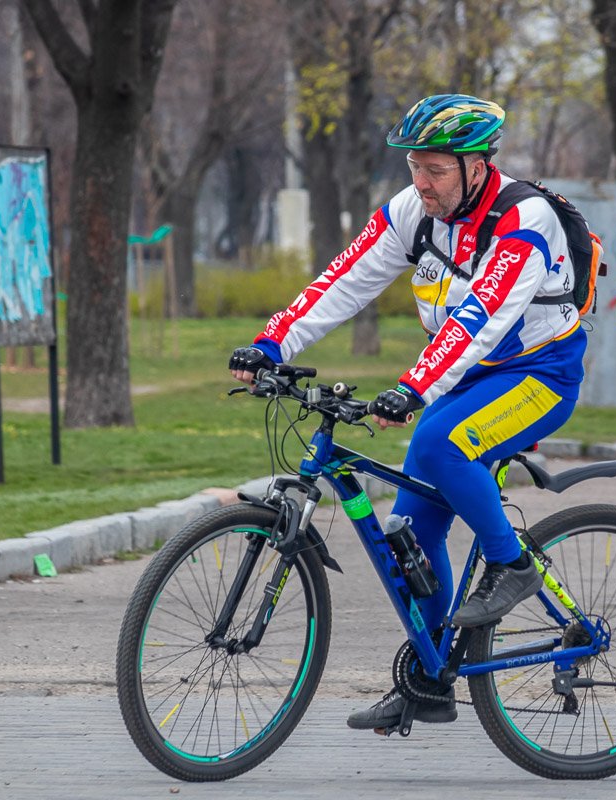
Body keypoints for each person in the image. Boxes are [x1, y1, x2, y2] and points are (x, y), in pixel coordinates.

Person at [228, 94, 587, 731]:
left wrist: (416, 386)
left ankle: (513, 565)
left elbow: (482, 316)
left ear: (478, 166)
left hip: (539, 373)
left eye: (437, 170)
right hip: (464, 376)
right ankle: (431, 680)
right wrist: (271, 342)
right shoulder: (410, 211)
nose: (422, 182)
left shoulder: (525, 217)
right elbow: (345, 280)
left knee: (444, 444)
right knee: (412, 538)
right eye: (415, 167)